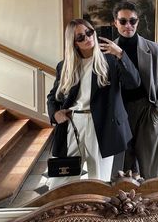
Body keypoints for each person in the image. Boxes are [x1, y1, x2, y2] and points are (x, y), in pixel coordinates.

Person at [47, 18, 140, 189]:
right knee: (60, 179)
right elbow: (53, 96)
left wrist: (120, 54)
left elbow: (134, 83)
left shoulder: (110, 61)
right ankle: (60, 213)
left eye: (90, 32)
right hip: (73, 123)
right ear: (73, 43)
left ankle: (94, 215)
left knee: (99, 180)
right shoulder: (65, 66)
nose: (88, 38)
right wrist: (54, 113)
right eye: (81, 37)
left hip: (102, 125)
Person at [113, 0, 158, 179]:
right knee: (124, 165)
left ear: (138, 22)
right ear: (115, 22)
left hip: (148, 109)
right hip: (120, 112)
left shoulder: (154, 49)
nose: (128, 25)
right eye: (123, 21)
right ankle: (127, 205)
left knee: (152, 165)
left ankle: (153, 203)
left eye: (132, 21)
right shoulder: (107, 51)